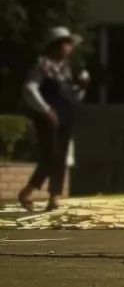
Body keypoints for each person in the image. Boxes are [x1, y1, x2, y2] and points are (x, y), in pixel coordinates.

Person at [18, 27, 89, 212]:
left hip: (66, 115)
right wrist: (46, 109)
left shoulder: (67, 68)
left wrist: (81, 86)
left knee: (61, 155)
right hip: (48, 116)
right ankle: (32, 192)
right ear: (56, 45)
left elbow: (73, 96)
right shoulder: (42, 65)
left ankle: (51, 196)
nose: (69, 47)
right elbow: (30, 88)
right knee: (52, 154)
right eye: (66, 43)